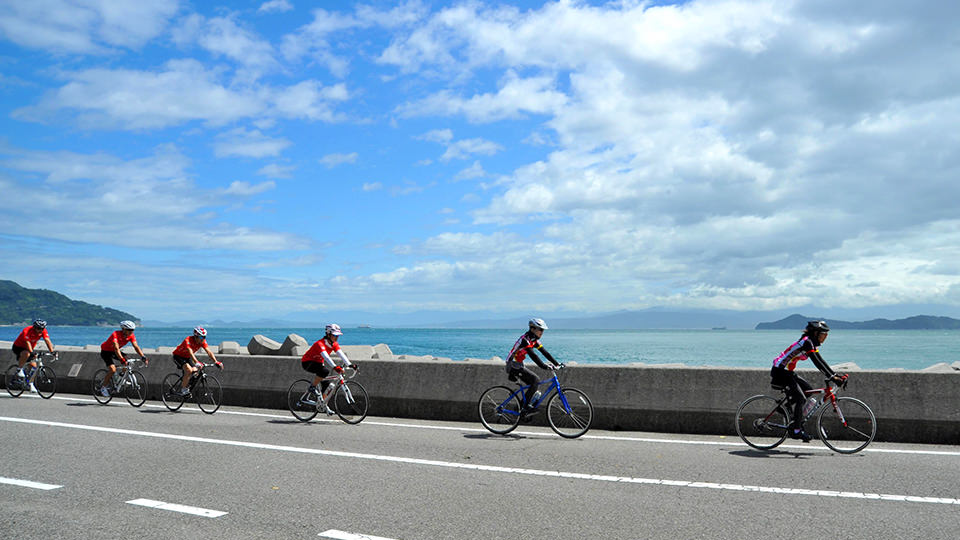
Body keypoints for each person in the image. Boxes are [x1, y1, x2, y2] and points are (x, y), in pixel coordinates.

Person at [770, 320, 846, 442]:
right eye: (823, 334)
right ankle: (796, 430)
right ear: (816, 333)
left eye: (826, 335)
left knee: (808, 391)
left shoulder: (810, 342)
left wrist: (835, 375)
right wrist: (833, 378)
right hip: (780, 372)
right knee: (800, 398)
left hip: (787, 372)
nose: (825, 337)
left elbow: (821, 361)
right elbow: (816, 362)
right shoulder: (806, 342)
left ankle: (784, 408)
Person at [505, 318, 563, 415]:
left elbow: (545, 353)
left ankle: (521, 407)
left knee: (533, 385)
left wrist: (557, 363)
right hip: (512, 365)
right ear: (532, 329)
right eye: (540, 329)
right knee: (535, 380)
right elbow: (533, 355)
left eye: (543, 330)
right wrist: (544, 366)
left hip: (519, 365)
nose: (542, 332)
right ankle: (525, 408)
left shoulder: (534, 341)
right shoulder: (525, 340)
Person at [300, 324, 355, 411]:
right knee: (324, 371)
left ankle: (322, 404)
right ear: (328, 334)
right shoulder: (320, 344)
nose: (336, 338)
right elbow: (326, 357)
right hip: (308, 362)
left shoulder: (334, 344)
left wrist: (350, 365)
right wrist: (335, 367)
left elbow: (341, 354)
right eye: (335, 335)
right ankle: (312, 387)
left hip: (318, 363)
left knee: (328, 386)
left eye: (338, 336)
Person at [98, 320, 149, 396]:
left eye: (132, 330)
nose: (131, 332)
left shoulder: (131, 336)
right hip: (106, 352)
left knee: (128, 362)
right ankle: (103, 387)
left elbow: (136, 347)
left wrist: (143, 356)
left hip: (115, 351)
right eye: (129, 330)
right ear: (123, 329)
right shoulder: (115, 334)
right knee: (112, 369)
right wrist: (121, 359)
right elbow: (116, 348)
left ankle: (120, 378)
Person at [171, 326, 222, 396]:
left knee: (196, 371)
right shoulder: (188, 340)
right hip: (178, 356)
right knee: (189, 370)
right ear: (196, 336)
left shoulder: (202, 342)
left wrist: (216, 361)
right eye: (201, 337)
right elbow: (190, 352)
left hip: (187, 357)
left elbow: (209, 352)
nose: (203, 339)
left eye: (204, 337)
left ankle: (187, 385)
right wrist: (197, 362)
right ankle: (183, 389)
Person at [11, 319, 55, 392]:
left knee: (34, 367)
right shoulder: (27, 330)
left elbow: (47, 340)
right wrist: (32, 352)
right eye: (38, 328)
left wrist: (52, 352)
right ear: (34, 327)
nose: (40, 330)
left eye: (42, 328)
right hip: (18, 347)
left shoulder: (43, 331)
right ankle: (19, 369)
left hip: (29, 348)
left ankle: (30, 383)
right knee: (27, 354)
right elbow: (27, 343)